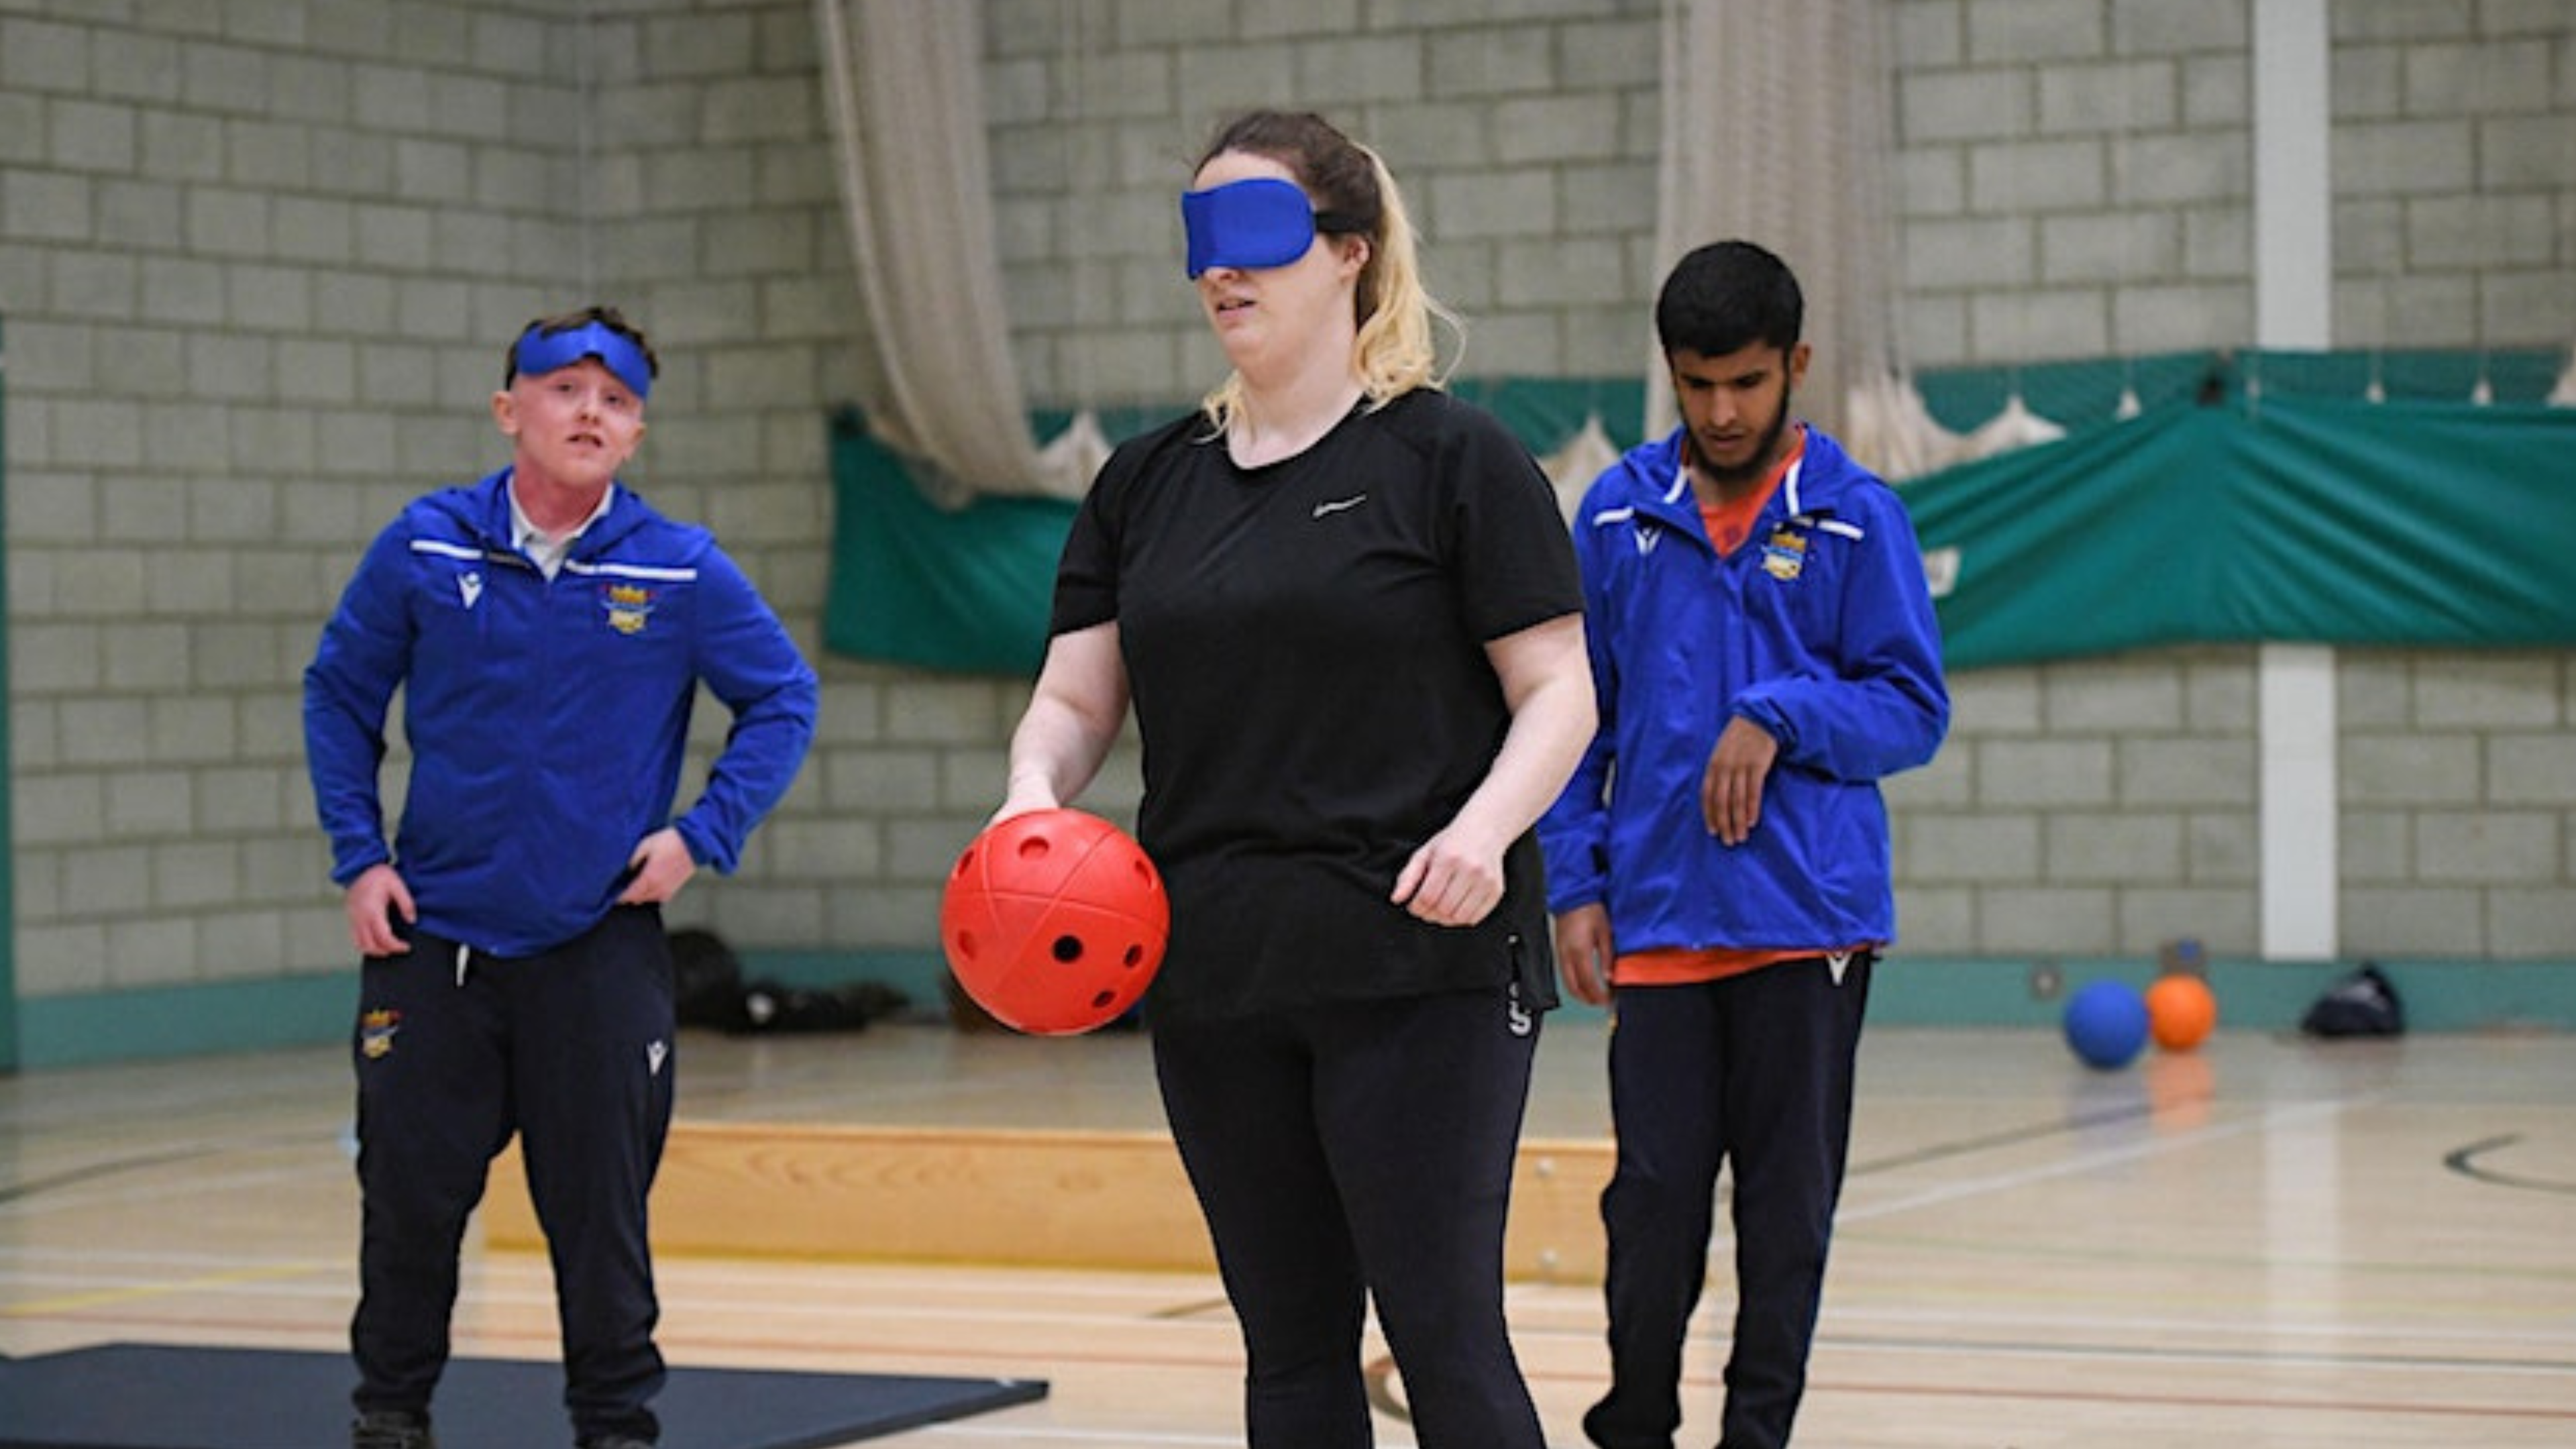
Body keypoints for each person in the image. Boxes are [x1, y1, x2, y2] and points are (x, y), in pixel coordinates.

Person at [989, 109, 1595, 1448]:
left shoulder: (1452, 460)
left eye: (1257, 234)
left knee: (1442, 1337)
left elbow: (1560, 691)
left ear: (1349, 254)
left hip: (1422, 963)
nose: (1223, 270)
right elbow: (1076, 697)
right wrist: (1033, 797)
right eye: (1202, 239)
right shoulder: (1147, 485)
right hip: (1214, 972)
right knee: (1289, 1351)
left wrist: (1488, 835)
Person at [303, 305, 820, 1449]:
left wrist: (700, 836)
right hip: (433, 948)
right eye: (566, 389)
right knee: (408, 1210)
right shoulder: (425, 545)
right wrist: (359, 856)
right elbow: (338, 694)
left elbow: (785, 698)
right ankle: (390, 1417)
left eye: (618, 400)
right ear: (509, 411)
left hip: (598, 950)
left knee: (600, 1221)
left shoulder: (679, 568)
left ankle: (615, 1427)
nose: (592, 412)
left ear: (637, 434)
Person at [1538, 240, 1949, 1449]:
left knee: (1786, 1213)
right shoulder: (1614, 514)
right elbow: (1574, 720)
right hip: (1659, 921)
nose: (1722, 412)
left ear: (1796, 367)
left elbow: (1911, 709)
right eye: (1698, 384)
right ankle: (1636, 1425)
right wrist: (1574, 887)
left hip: (1806, 927)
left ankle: (1756, 1437)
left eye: (1749, 384)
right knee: (1653, 1201)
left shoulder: (1860, 521)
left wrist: (1780, 712)